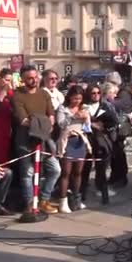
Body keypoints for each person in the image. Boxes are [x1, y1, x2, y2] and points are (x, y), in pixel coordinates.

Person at [11, 65, 61, 214]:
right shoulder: (17, 95)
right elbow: (24, 120)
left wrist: (44, 122)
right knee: (28, 173)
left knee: (55, 169)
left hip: (44, 140)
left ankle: (44, 199)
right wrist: (43, 122)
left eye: (35, 77)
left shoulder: (44, 94)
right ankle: (30, 203)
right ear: (23, 80)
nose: (33, 80)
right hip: (25, 141)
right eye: (30, 78)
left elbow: (51, 115)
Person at [56, 85, 92, 213]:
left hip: (80, 140)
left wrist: (87, 119)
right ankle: (63, 201)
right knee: (66, 172)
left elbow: (88, 127)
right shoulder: (62, 108)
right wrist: (74, 116)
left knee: (78, 172)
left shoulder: (85, 108)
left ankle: (76, 199)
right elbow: (60, 124)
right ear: (70, 97)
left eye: (79, 99)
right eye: (75, 98)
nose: (77, 101)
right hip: (67, 141)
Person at [80, 83, 119, 204]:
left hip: (101, 140)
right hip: (86, 140)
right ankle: (82, 194)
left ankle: (104, 195)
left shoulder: (106, 105)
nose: (96, 95)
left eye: (98, 93)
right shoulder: (83, 106)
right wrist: (92, 124)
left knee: (101, 169)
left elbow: (114, 121)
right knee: (85, 169)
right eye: (93, 93)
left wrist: (104, 126)